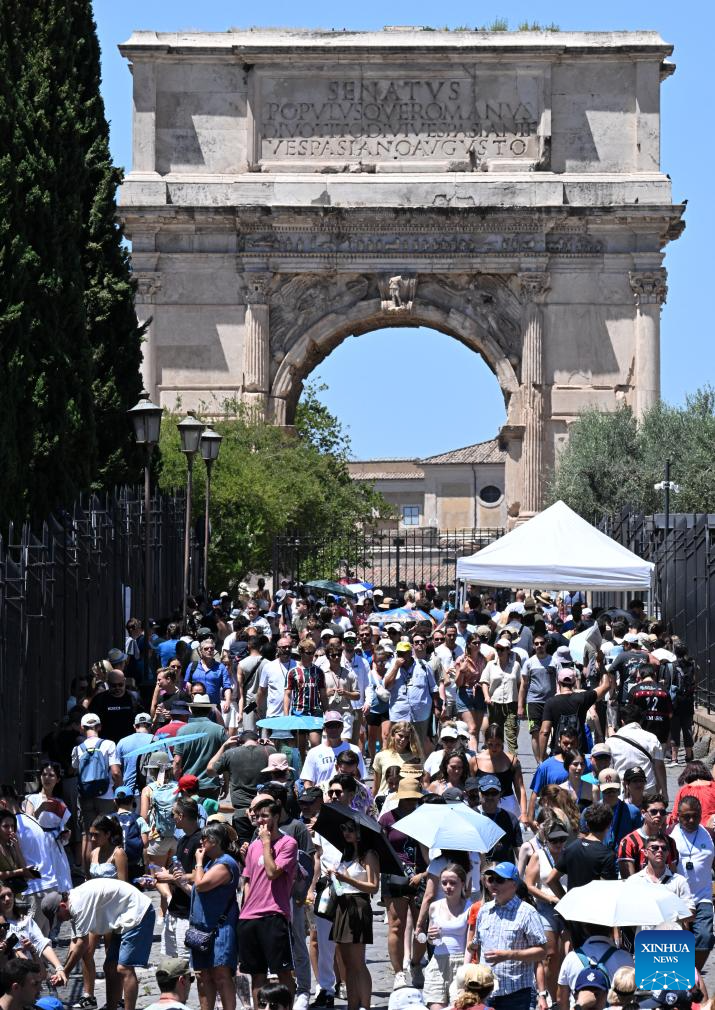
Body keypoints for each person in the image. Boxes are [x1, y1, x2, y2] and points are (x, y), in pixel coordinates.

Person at [52, 878, 156, 1010]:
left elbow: (83, 944)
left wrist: (66, 972)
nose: (61, 921)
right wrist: (62, 970)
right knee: (109, 966)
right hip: (123, 917)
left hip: (138, 913)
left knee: (124, 968)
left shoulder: (78, 905)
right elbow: (75, 942)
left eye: (58, 917)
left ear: (62, 906)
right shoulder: (72, 904)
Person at [238, 799, 298, 1010]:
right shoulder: (253, 846)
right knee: (257, 974)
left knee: (283, 972)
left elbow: (273, 873)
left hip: (274, 913)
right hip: (249, 917)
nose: (260, 820)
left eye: (265, 816)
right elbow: (248, 879)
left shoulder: (288, 843)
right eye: (257, 816)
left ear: (276, 817)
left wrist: (266, 844)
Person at [472, 862, 547, 1010]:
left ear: (514, 884)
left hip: (516, 994)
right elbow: (478, 946)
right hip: (486, 992)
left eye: (500, 880)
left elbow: (542, 952)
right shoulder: (484, 911)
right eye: (491, 879)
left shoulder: (527, 913)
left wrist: (509, 955)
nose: (494, 883)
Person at [378, 781, 427, 988]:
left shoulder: (424, 817)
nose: (410, 802)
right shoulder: (387, 818)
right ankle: (398, 972)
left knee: (421, 926)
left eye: (413, 798)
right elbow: (379, 845)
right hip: (394, 876)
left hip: (420, 876)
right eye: (406, 798)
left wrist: (425, 873)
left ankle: (415, 963)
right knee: (396, 925)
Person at [328, 817, 380, 1010]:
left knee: (358, 962)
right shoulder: (346, 854)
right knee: (347, 963)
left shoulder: (369, 855)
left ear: (360, 832)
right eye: (344, 829)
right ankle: (352, 1004)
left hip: (358, 905)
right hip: (342, 905)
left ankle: (365, 1005)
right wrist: (335, 878)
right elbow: (343, 883)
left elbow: (373, 888)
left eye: (351, 829)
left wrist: (347, 879)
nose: (346, 833)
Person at [188, 822, 240, 1010]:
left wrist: (199, 862)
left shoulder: (225, 863)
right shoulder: (211, 863)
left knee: (221, 975)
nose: (200, 842)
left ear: (214, 841)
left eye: (204, 838)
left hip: (220, 930)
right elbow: (198, 891)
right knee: (203, 975)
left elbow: (201, 884)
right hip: (201, 929)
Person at [669, 795, 714, 968]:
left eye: (695, 815)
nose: (691, 820)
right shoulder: (669, 834)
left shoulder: (709, 836)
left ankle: (694, 972)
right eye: (686, 816)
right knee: (677, 940)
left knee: (705, 937)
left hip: (702, 897)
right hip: (677, 898)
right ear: (678, 815)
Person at [72, 713, 121, 873]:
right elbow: (115, 772)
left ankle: (87, 875)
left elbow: (75, 770)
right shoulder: (108, 744)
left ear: (82, 728)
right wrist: (117, 790)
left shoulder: (78, 748)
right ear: (99, 727)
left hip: (86, 796)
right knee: (109, 834)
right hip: (106, 796)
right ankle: (109, 869)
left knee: (88, 835)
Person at [154, 797, 202, 959]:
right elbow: (176, 870)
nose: (171, 818)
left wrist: (170, 877)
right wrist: (159, 877)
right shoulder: (182, 840)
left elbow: (198, 876)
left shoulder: (200, 841)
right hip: (175, 911)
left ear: (181, 816)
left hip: (188, 914)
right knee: (174, 963)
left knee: (185, 963)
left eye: (172, 814)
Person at [422, 864, 472, 1010]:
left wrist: (466, 968)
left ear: (462, 883)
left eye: (453, 883)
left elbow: (471, 942)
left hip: (460, 962)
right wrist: (431, 937)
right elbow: (432, 941)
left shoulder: (470, 908)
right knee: (435, 1006)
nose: (448, 887)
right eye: (444, 883)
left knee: (458, 1006)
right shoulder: (434, 907)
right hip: (438, 961)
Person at [538, 665, 609, 760]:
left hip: (558, 753)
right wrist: (601, 665)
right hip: (579, 752)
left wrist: (541, 758)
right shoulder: (583, 698)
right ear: (574, 682)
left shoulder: (550, 702)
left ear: (558, 682)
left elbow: (544, 732)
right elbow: (606, 685)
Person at [22, 761, 72, 894]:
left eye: (51, 775)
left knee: (60, 880)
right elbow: (27, 822)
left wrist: (65, 833)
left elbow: (63, 825)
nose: (47, 778)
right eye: (44, 774)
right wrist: (41, 809)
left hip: (55, 845)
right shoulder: (31, 798)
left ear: (57, 779)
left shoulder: (60, 802)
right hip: (39, 843)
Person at [0, 885, 67, 984]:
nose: (7, 899)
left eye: (9, 895)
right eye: (2, 897)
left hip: (30, 978)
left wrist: (58, 967)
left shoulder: (26, 920)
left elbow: (41, 943)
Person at [557, 924, 632, 1007]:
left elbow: (561, 999)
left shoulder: (571, 958)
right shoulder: (625, 957)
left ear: (585, 929)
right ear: (611, 928)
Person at [384, 640, 437, 755]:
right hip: (399, 714)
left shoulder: (423, 665)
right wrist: (396, 667)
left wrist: (437, 707)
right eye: (400, 653)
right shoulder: (392, 666)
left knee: (419, 745)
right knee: (398, 744)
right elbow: (387, 686)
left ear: (411, 652)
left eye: (405, 653)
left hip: (420, 714)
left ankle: (418, 769)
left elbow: (433, 688)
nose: (403, 656)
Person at [608, 703, 668, 798]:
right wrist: (664, 792)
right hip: (647, 789)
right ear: (640, 720)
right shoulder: (651, 738)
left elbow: (610, 769)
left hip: (623, 791)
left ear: (622, 721)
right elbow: (659, 766)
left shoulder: (611, 741)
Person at [173, 695, 227, 799]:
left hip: (188, 785)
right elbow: (225, 759)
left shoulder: (182, 731)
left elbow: (177, 761)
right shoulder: (219, 730)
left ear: (191, 709)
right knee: (209, 813)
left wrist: (177, 781)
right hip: (210, 785)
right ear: (209, 710)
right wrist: (226, 783)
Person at [474, 723, 527, 823]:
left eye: (498, 744)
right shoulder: (475, 761)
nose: (494, 748)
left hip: (508, 805)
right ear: (485, 742)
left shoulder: (512, 761)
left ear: (503, 742)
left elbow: (520, 788)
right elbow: (471, 787)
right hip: (484, 803)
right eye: (490, 744)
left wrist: (524, 813)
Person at [617, 792, 678, 876]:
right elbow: (628, 881)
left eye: (662, 812)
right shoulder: (628, 842)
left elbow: (673, 874)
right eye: (654, 812)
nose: (659, 815)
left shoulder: (670, 842)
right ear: (643, 813)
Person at [299, 712, 365, 788]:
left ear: (342, 727)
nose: (333, 729)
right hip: (322, 796)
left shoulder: (354, 750)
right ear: (324, 729)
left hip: (348, 796)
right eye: (330, 726)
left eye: (337, 725)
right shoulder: (313, 752)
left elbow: (360, 778)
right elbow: (308, 782)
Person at [518, 634, 556, 762]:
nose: (539, 646)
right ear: (533, 646)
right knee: (535, 733)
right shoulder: (529, 663)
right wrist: (520, 706)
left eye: (542, 643)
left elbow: (560, 681)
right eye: (537, 644)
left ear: (546, 644)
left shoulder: (554, 661)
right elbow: (523, 685)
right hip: (533, 702)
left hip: (550, 702)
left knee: (547, 732)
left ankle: (546, 759)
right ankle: (539, 762)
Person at [479, 637, 521, 755]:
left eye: (503, 649)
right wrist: (487, 696)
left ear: (509, 650)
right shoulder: (491, 665)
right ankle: (496, 757)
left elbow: (519, 684)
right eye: (498, 649)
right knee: (495, 732)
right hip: (495, 703)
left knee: (511, 733)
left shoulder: (516, 665)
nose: (500, 651)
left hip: (511, 703)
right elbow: (484, 682)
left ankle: (513, 761)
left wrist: (520, 703)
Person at [453, 635, 489, 751]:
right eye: (475, 643)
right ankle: (473, 755)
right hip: (465, 692)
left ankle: (473, 754)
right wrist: (462, 671)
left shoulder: (482, 659)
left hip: (478, 693)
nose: (477, 645)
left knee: (476, 729)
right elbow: (458, 683)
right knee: (472, 728)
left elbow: (485, 678)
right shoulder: (461, 659)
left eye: (479, 643)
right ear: (469, 644)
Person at [476, 776, 523, 865]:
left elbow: (518, 850)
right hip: (478, 871)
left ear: (500, 794)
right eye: (486, 793)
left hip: (504, 871)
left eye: (494, 793)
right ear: (479, 793)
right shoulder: (471, 815)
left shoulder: (511, 818)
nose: (490, 796)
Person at [372, 722, 422, 799]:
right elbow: (376, 786)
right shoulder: (381, 756)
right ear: (393, 735)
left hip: (406, 801)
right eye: (401, 736)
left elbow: (418, 783)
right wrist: (372, 805)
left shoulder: (415, 758)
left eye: (407, 737)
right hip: (383, 800)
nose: (403, 739)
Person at [87, 671, 139, 743]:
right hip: (107, 743)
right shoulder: (99, 699)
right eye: (113, 685)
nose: (117, 688)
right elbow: (91, 723)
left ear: (124, 681)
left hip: (129, 742)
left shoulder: (134, 698)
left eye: (120, 685)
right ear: (108, 683)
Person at [668, 762, 715, 835]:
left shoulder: (684, 790)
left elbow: (675, 815)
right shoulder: (713, 786)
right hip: (712, 827)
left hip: (691, 828)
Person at [112, 713, 154, 793]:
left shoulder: (122, 742)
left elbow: (116, 769)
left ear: (134, 726)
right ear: (151, 726)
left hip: (128, 791)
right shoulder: (157, 741)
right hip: (151, 791)